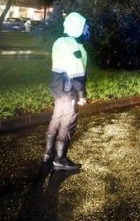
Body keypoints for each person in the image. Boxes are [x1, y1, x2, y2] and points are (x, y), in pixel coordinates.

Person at [43, 12, 89, 171]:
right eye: (84, 26)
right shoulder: (74, 45)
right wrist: (82, 95)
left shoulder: (59, 41)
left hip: (58, 88)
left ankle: (48, 154)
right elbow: (77, 74)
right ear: (77, 27)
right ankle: (60, 159)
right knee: (68, 123)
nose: (86, 29)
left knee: (56, 118)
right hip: (69, 90)